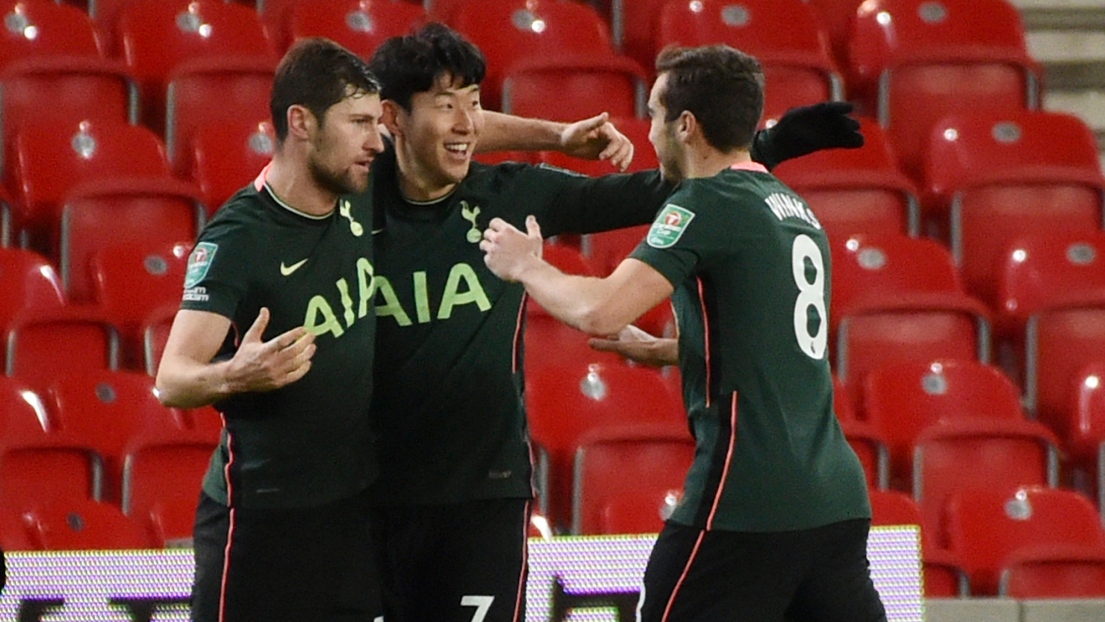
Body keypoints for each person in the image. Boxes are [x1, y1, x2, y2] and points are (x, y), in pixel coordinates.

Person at [365, 23, 866, 622]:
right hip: (837, 495)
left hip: (715, 495)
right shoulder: (797, 209)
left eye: (654, 114)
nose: (645, 128)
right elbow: (773, 336)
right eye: (448, 104)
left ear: (684, 125)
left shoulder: (538, 195)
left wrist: (527, 266)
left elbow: (606, 296)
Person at [155, 38, 385, 622]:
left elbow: (454, 127)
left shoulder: (357, 193)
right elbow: (172, 381)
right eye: (359, 123)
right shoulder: (239, 238)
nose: (376, 142)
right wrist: (236, 373)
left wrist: (557, 138)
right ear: (301, 122)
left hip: (352, 516)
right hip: (260, 523)